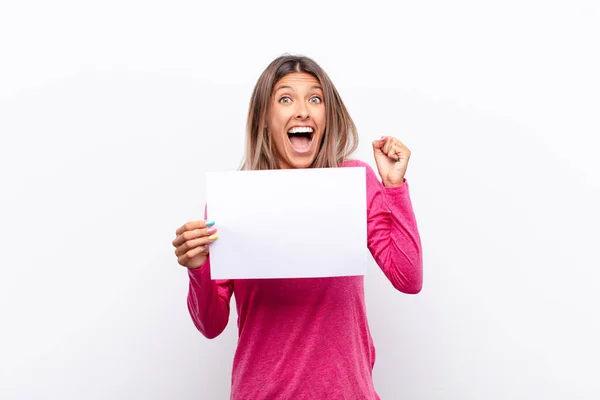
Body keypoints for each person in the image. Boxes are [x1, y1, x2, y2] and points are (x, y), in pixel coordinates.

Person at [172, 55, 423, 399]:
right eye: (286, 99)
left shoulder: (356, 181)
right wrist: (198, 268)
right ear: (264, 119)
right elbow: (211, 325)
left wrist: (394, 188)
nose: (303, 111)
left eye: (315, 99)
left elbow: (408, 279)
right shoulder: (233, 199)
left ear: (327, 115)